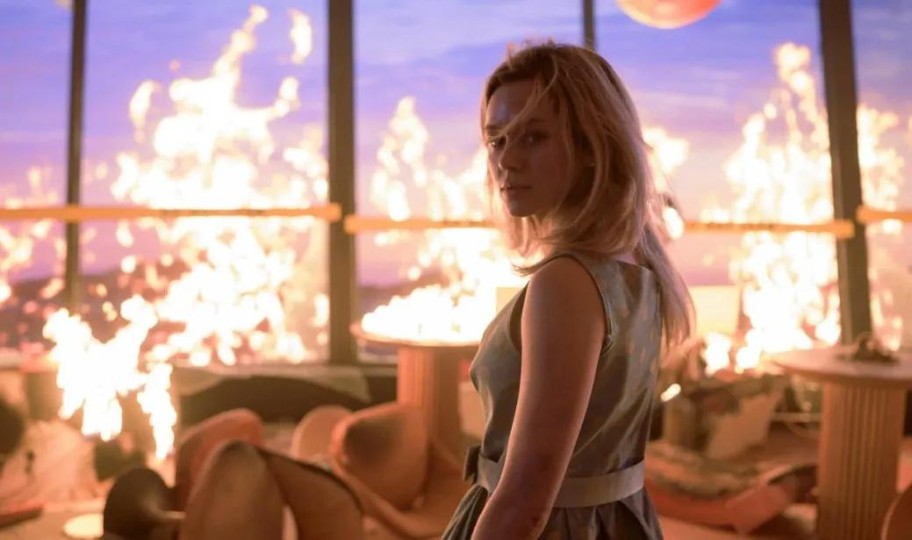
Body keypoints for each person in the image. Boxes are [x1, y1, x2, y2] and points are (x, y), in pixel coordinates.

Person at [442, 42, 693, 540]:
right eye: (496, 140)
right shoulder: (639, 265)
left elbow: (524, 503)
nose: (507, 160)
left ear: (593, 146)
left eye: (534, 137)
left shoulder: (566, 282)